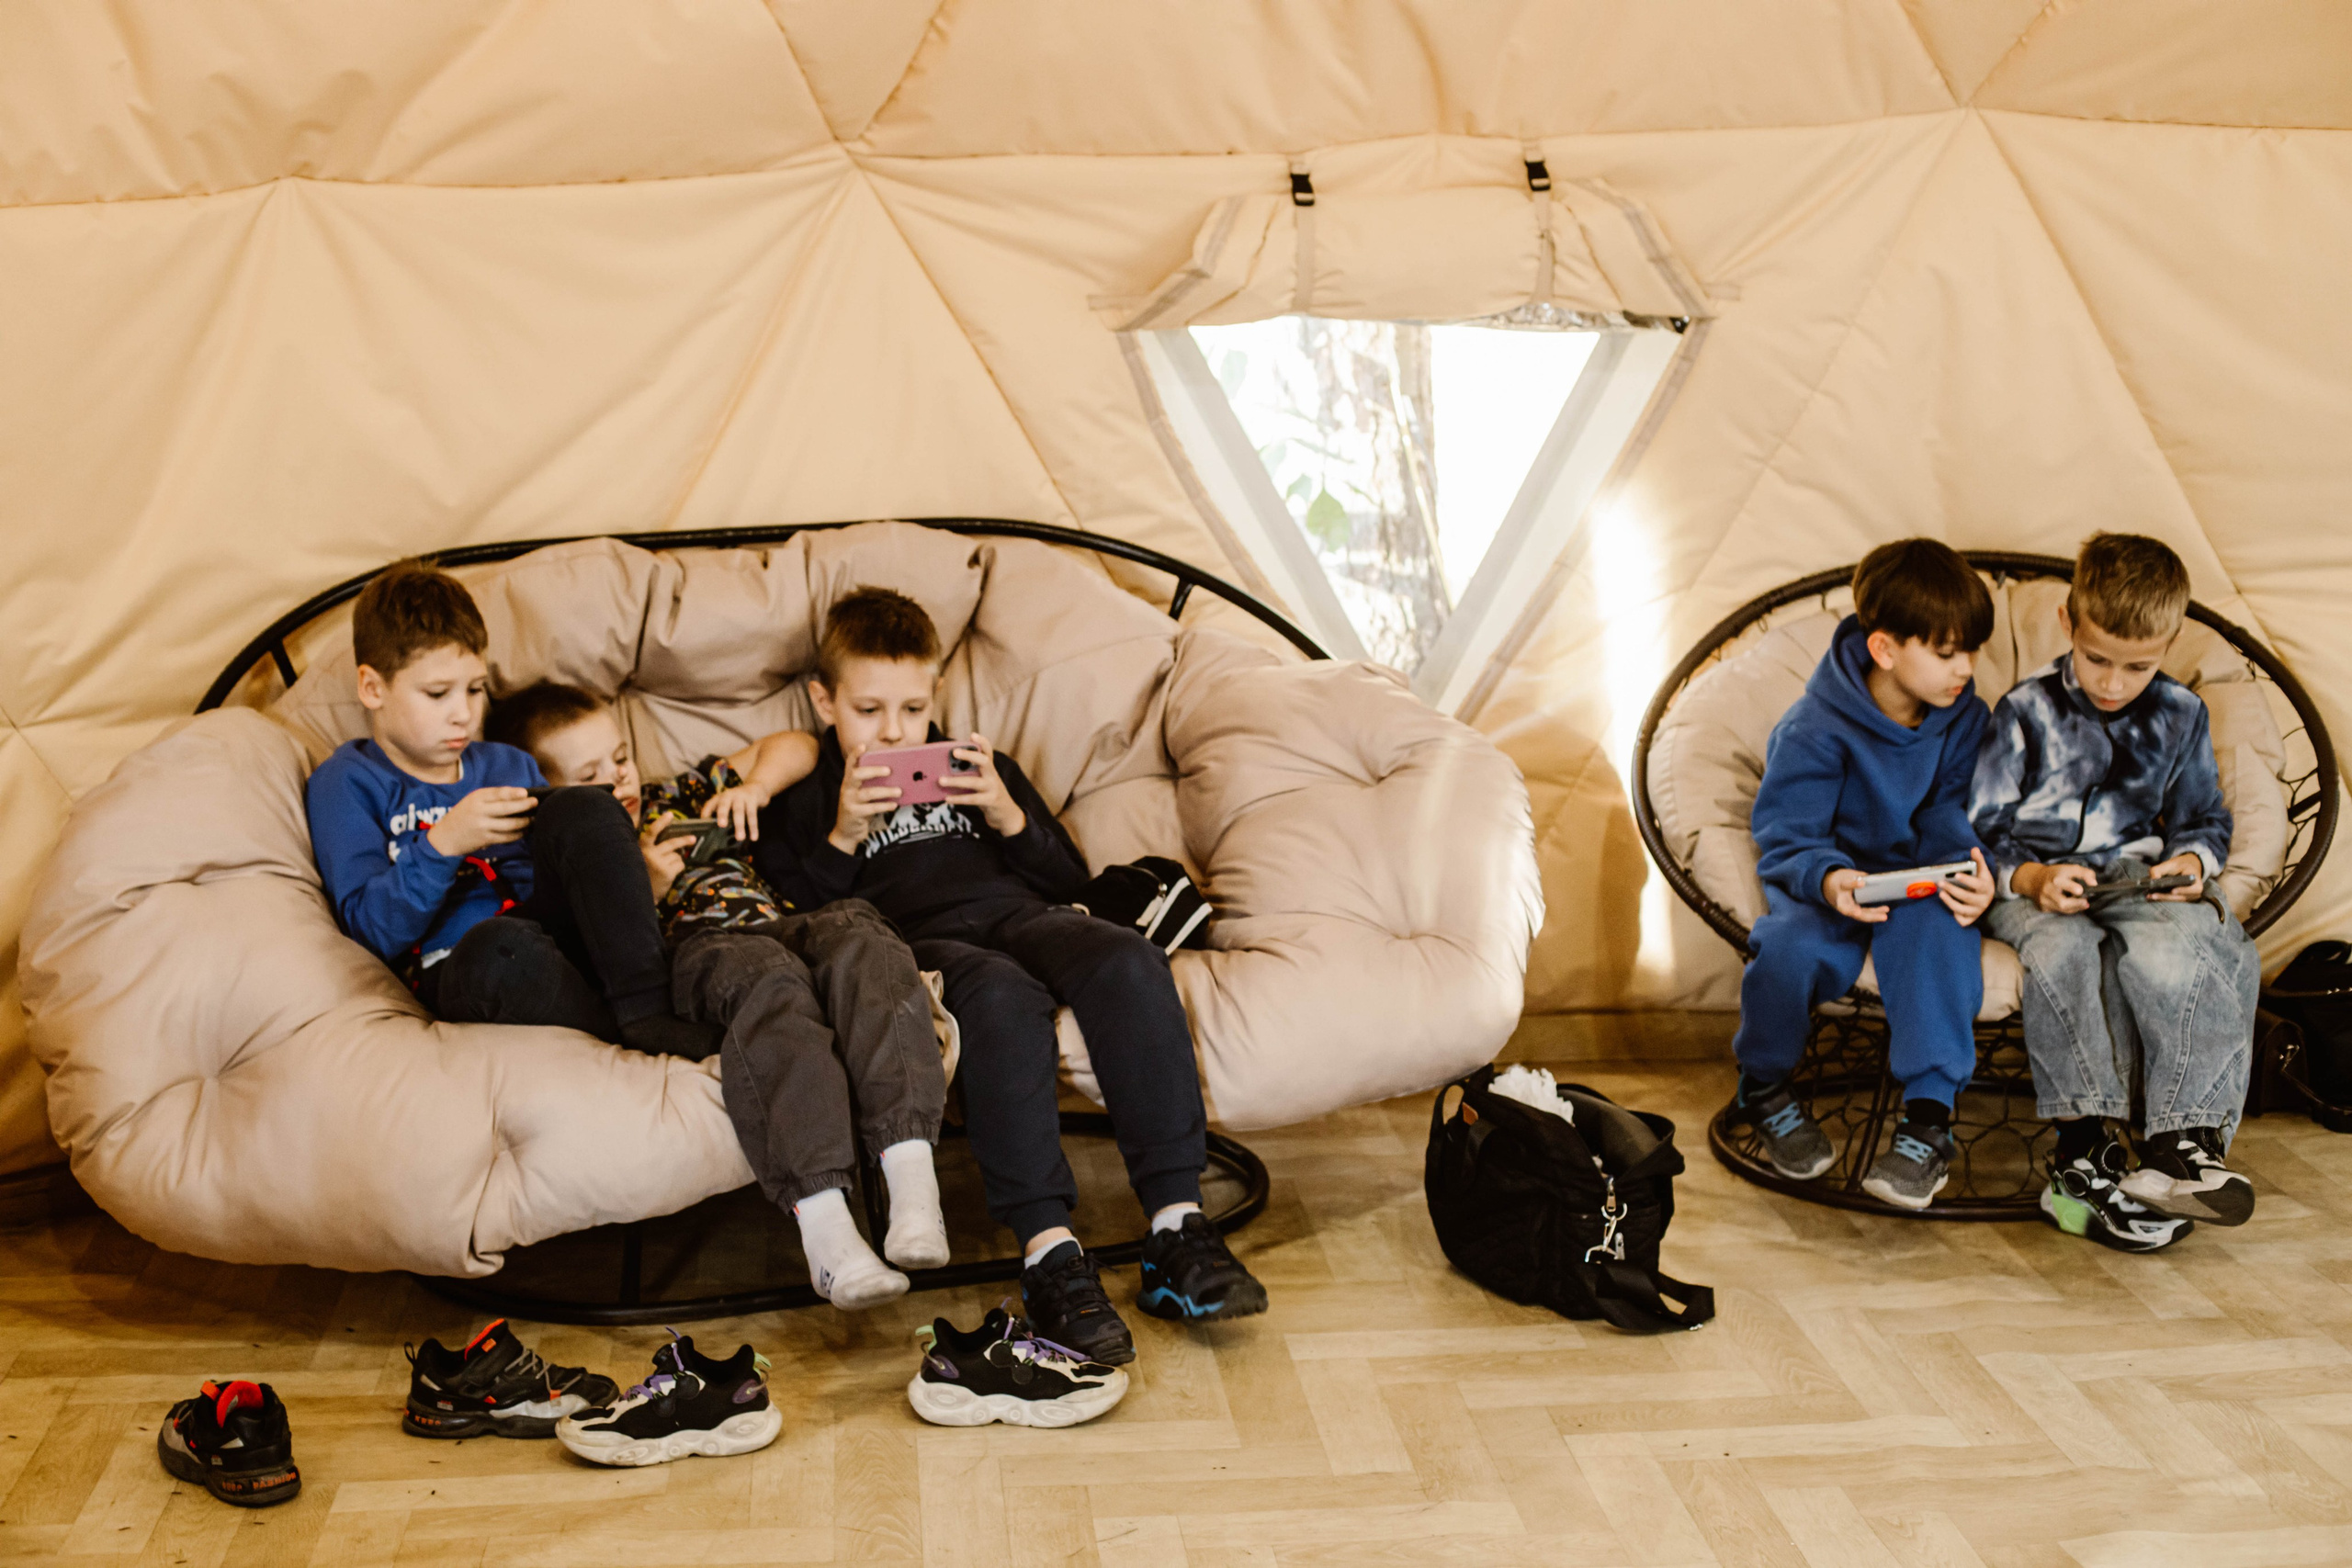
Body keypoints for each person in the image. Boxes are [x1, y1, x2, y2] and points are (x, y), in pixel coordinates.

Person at [754, 587, 1268, 1365]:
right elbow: (810, 926)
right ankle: (1049, 1253)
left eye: (912, 708)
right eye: (869, 710)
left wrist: (1006, 811)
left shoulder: (976, 765)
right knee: (999, 998)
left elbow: (1066, 874)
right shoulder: (807, 796)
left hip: (1021, 911)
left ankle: (1175, 1225)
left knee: (1127, 958)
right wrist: (842, 834)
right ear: (825, 701)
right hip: (921, 944)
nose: (894, 731)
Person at [487, 682, 950, 1311]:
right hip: (703, 950)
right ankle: (829, 1236)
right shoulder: (584, 850)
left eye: (620, 758)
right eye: (591, 776)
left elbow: (797, 747)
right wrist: (645, 885)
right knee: (771, 981)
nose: (619, 780)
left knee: (860, 929)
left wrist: (752, 787)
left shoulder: (675, 794)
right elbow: (608, 957)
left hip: (783, 920)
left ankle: (913, 1184)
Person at [1973, 532, 2256, 1252]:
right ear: (2069, 623)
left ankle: (2181, 1149)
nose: (2112, 682)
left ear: (2169, 642)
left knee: (2188, 944)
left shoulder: (2181, 716)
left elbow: (2202, 820)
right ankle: (2086, 1149)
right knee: (2067, 954)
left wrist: (2193, 861)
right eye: (2098, 658)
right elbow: (1980, 827)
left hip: (2133, 877)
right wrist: (2031, 877)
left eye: (2138, 665)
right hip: (2034, 884)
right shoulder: (2024, 711)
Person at [303, 561, 708, 1056]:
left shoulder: (507, 763)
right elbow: (368, 931)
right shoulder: (348, 782)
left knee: (584, 803)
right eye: (437, 694)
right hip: (459, 962)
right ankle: (617, 1037)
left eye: (474, 689)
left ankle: (649, 1013)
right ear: (372, 687)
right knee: (504, 951)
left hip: (551, 934)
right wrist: (443, 842)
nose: (464, 714)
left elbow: (564, 865)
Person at [1726, 539, 1998, 1210]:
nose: (1965, 668)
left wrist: (1966, 873)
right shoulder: (1814, 729)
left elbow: (1954, 810)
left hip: (1917, 884)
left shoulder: (1967, 718)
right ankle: (1763, 1084)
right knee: (1786, 948)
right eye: (1945, 652)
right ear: (1885, 649)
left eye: (1972, 650)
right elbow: (1788, 835)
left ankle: (1928, 1125)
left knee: (1941, 936)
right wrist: (1831, 881)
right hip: (1830, 884)